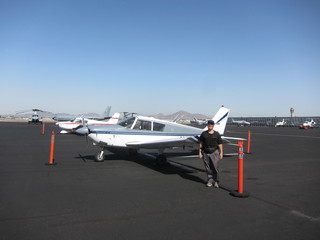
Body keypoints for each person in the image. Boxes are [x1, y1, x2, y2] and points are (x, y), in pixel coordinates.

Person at [199, 120, 223, 188]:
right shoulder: (203, 134)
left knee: (215, 167)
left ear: (213, 125)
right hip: (206, 152)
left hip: (214, 152)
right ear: (207, 125)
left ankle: (216, 181)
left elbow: (220, 144)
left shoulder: (216, 134)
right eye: (209, 124)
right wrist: (200, 152)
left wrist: (221, 153)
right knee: (208, 168)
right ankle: (210, 180)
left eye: (211, 124)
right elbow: (201, 143)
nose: (210, 125)